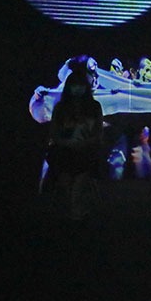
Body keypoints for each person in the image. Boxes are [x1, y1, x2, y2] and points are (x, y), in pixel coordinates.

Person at [44, 59, 104, 220]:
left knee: (81, 174)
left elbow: (98, 134)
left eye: (81, 85)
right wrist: (67, 143)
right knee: (64, 173)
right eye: (74, 85)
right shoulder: (60, 108)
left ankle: (75, 208)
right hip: (64, 149)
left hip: (87, 150)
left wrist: (84, 143)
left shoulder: (95, 107)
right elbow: (54, 133)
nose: (78, 89)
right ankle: (70, 208)